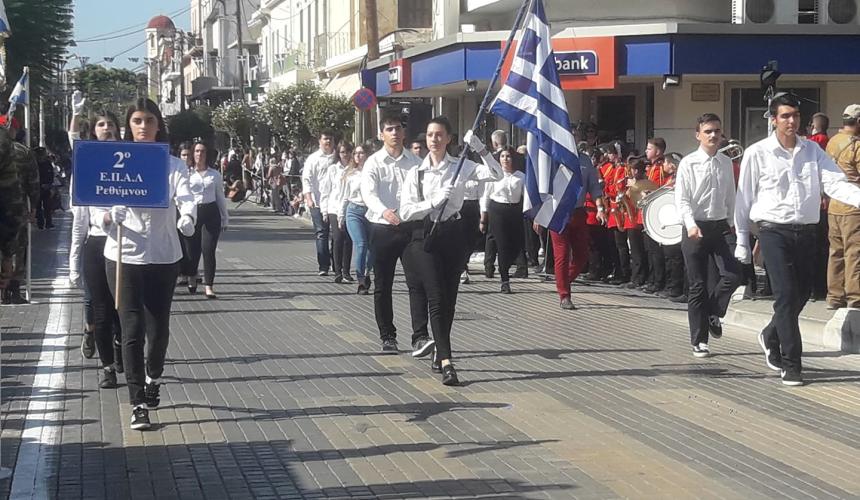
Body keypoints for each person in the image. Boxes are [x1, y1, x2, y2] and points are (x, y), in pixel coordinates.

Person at [736, 94, 860, 386]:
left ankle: (771, 334)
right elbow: (744, 199)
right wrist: (742, 239)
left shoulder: (812, 151)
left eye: (795, 115)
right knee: (786, 294)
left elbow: (835, 183)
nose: (791, 121)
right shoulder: (757, 153)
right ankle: (791, 364)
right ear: (773, 120)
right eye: (785, 116)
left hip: (805, 231)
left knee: (802, 293)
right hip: (772, 231)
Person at [102, 98, 197, 430]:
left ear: (159, 125)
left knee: (157, 331)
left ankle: (153, 377)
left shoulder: (173, 165)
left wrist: (188, 216)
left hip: (162, 256)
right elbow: (97, 203)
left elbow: (186, 196)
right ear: (129, 125)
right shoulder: (115, 161)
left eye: (150, 121)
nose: (143, 127)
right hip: (123, 255)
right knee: (132, 330)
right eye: (137, 121)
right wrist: (109, 216)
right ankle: (137, 402)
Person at [399, 117, 503, 385]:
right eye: (430, 135)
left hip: (453, 234)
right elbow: (406, 211)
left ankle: (439, 348)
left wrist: (481, 149)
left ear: (448, 139)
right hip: (426, 236)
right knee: (435, 296)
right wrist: (433, 202)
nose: (434, 139)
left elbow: (496, 174)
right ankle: (447, 361)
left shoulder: (460, 166)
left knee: (449, 300)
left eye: (439, 135)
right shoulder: (417, 172)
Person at [360, 110, 428, 355]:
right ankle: (388, 336)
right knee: (383, 284)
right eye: (389, 129)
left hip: (410, 228)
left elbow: (424, 192)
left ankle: (420, 336)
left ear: (404, 132)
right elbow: (368, 193)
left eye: (398, 128)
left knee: (417, 283)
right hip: (382, 228)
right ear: (381, 134)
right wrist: (384, 211)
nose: (395, 133)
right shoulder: (374, 163)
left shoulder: (416, 163)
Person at [68, 101, 124, 387]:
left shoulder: (129, 158)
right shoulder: (86, 163)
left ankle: (121, 347)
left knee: (122, 310)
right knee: (100, 308)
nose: (106, 129)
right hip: (96, 243)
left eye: (111, 124)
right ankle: (108, 367)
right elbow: (80, 222)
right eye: (101, 125)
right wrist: (76, 113)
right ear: (93, 131)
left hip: (125, 244)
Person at [675, 113, 740, 359]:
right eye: (708, 131)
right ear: (698, 135)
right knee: (698, 285)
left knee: (734, 274)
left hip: (720, 226)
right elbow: (682, 199)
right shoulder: (688, 163)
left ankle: (714, 311)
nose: (713, 135)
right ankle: (699, 340)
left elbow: (731, 196)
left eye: (717, 131)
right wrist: (691, 225)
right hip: (695, 227)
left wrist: (733, 223)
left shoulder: (725, 162)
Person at [538, 150, 606, 309]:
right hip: (558, 212)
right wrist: (540, 214)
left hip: (578, 212)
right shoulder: (554, 157)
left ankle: (563, 280)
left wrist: (600, 207)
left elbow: (594, 186)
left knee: (582, 255)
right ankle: (564, 295)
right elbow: (544, 186)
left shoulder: (584, 160)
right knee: (561, 255)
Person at [824, 104, 860, 310]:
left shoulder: (833, 141)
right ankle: (855, 298)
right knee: (854, 253)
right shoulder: (857, 145)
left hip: (834, 204)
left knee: (835, 252)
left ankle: (834, 297)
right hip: (854, 205)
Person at [183, 141, 229, 299]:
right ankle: (191, 275)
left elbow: (220, 196)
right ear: (193, 154)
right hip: (193, 213)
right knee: (192, 249)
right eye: (197, 151)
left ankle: (209, 285)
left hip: (211, 212)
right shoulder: (187, 173)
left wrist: (225, 217)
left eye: (202, 151)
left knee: (208, 250)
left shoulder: (214, 174)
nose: (199, 154)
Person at [480, 149, 526, 293]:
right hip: (497, 211)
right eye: (502, 156)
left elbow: (526, 196)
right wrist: (483, 216)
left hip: (514, 211)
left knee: (515, 245)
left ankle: (508, 265)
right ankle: (504, 279)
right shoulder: (495, 175)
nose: (505, 159)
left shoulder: (521, 176)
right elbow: (486, 196)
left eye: (508, 156)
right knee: (502, 245)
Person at [339, 142, 373, 294]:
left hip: (371, 212)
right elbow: (344, 196)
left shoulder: (373, 171)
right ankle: (361, 280)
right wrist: (341, 215)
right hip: (354, 211)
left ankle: (367, 272)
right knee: (361, 244)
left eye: (361, 153)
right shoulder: (350, 174)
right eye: (356, 153)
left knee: (372, 248)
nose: (358, 156)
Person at [302, 130, 337, 275]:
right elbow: (307, 179)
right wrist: (308, 198)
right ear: (320, 141)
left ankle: (337, 263)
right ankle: (324, 265)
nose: (328, 141)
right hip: (317, 201)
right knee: (322, 233)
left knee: (337, 234)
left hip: (335, 202)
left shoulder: (338, 157)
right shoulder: (313, 159)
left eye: (330, 139)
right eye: (325, 139)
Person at [325, 141, 354, 283]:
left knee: (348, 239)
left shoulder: (354, 169)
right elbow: (326, 190)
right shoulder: (333, 169)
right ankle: (337, 271)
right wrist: (324, 210)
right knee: (337, 238)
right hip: (334, 208)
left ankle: (346, 271)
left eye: (348, 151)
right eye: (342, 152)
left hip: (349, 208)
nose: (345, 155)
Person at [642, 137, 668, 293]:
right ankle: (652, 279)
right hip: (649, 210)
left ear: (658, 151)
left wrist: (649, 192)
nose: (646, 151)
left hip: (656, 210)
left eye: (649, 148)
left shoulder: (660, 167)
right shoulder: (652, 167)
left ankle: (659, 281)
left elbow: (660, 188)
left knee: (656, 251)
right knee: (650, 250)